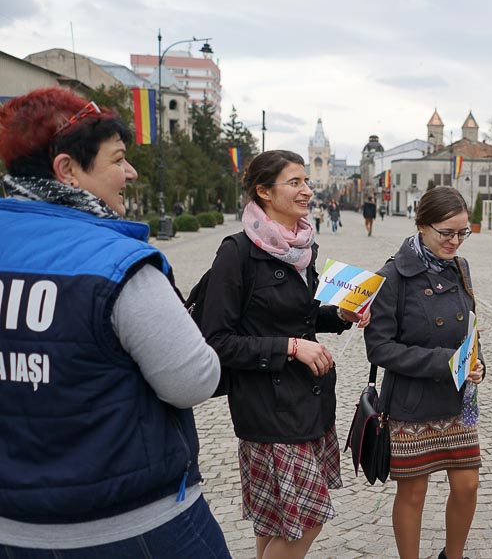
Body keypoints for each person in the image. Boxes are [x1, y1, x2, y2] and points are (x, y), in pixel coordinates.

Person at [0, 88, 229, 557]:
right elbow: (193, 379)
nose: (131, 172)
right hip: (132, 526)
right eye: (118, 159)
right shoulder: (117, 262)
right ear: (67, 169)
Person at [199, 150, 370, 559]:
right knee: (308, 519)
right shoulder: (237, 252)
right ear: (264, 191)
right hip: (267, 406)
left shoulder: (302, 248)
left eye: (306, 181)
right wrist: (290, 347)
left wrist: (340, 314)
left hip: (309, 400)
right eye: (294, 183)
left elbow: (299, 314)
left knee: (276, 520)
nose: (307, 190)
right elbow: (216, 339)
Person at [365, 186, 486, 559]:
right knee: (413, 492)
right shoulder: (391, 276)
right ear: (421, 225)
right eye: (446, 233)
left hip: (456, 401)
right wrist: (445, 362)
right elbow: (380, 348)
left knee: (467, 484)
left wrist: (476, 362)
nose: (455, 242)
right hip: (411, 403)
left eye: (462, 233)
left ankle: (453, 556)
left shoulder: (460, 267)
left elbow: (469, 326)